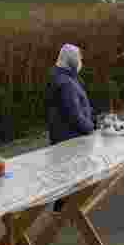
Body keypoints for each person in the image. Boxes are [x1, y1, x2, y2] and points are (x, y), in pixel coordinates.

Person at [46, 44, 95, 212]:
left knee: (67, 176)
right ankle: (63, 211)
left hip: (62, 133)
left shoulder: (62, 76)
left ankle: (63, 209)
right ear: (72, 61)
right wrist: (90, 127)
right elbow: (74, 114)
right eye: (80, 58)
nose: (82, 61)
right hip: (69, 136)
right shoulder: (65, 82)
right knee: (70, 175)